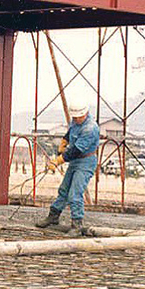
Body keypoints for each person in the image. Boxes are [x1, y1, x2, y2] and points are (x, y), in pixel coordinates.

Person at [36, 99, 100, 235]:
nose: (76, 119)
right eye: (74, 117)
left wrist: (58, 160)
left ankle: (77, 224)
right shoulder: (76, 121)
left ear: (85, 113)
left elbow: (76, 150)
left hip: (85, 161)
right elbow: (70, 133)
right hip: (75, 161)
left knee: (75, 194)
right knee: (64, 189)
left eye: (78, 117)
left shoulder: (90, 128)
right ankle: (53, 216)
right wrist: (64, 141)